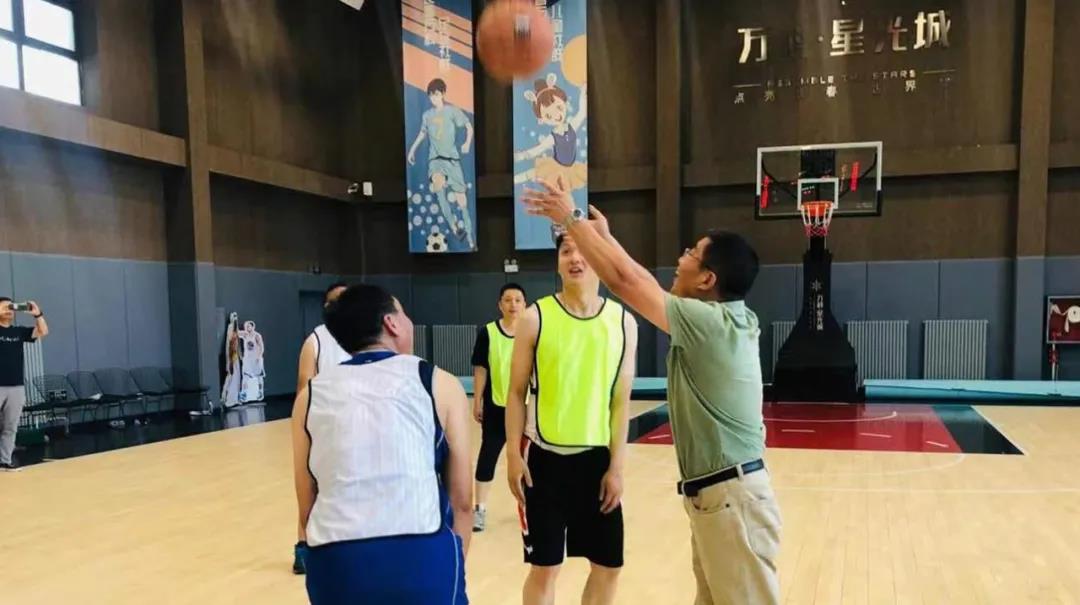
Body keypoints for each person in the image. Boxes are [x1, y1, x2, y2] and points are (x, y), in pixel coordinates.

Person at [523, 177, 782, 605]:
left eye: (690, 254)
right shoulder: (725, 316)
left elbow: (626, 282)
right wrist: (605, 239)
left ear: (707, 279)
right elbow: (638, 278)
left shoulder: (709, 325)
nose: (681, 259)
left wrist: (570, 218)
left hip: (732, 501)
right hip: (719, 499)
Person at [292, 284, 473, 604]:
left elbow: (307, 508)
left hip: (336, 563)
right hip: (421, 557)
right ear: (392, 323)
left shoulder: (308, 397)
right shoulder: (439, 382)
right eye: (404, 313)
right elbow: (462, 502)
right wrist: (450, 566)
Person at [505, 233, 637, 605]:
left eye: (583, 251)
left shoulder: (623, 322)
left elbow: (620, 402)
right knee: (545, 567)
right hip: (543, 462)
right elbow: (516, 392)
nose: (575, 258)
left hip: (596, 463)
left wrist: (616, 468)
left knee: (608, 566)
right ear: (558, 262)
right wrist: (513, 454)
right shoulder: (534, 317)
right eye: (566, 251)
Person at [293, 282, 349, 575]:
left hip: (356, 424)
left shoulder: (364, 337)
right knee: (310, 486)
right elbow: (305, 386)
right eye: (333, 301)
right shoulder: (315, 340)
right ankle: (304, 545)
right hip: (323, 424)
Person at [470, 282, 527, 532]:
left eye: (517, 300)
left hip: (526, 408)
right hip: (496, 407)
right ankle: (480, 509)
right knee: (488, 456)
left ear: (524, 305)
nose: (513, 304)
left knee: (530, 460)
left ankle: (530, 506)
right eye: (507, 300)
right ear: (500, 305)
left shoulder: (531, 331)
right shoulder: (488, 332)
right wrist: (477, 399)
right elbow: (481, 368)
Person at [408, 78, 475, 248]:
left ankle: (469, 238)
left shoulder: (452, 111)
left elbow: (469, 127)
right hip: (435, 161)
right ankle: (454, 226)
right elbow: (422, 134)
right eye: (431, 95)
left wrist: (467, 143)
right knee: (439, 189)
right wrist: (412, 150)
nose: (434, 98)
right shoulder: (427, 115)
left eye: (436, 94)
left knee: (462, 203)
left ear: (443, 94)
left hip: (452, 161)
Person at [0, 297, 48, 472]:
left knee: (10, 426)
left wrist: (38, 314)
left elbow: (43, 331)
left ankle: (4, 461)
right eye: (4, 307)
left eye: (11, 307)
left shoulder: (18, 331)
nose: (9, 310)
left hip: (16, 386)